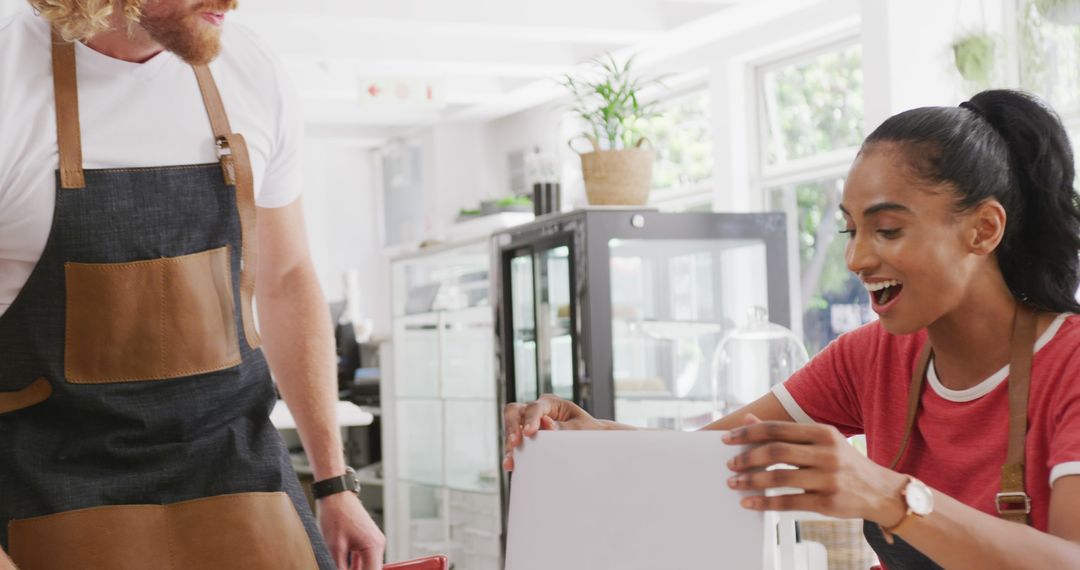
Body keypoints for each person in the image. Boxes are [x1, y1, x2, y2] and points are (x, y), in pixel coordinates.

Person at [503, 89, 1080, 568]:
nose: (856, 259)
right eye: (851, 230)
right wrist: (589, 438)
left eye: (887, 230)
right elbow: (709, 455)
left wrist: (888, 495)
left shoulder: (1069, 364)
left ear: (982, 230)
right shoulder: (871, 357)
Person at [0, 1, 384, 568]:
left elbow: (285, 276)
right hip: (52, 481)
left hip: (235, 468)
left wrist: (334, 483)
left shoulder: (250, 68)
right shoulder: (9, 74)